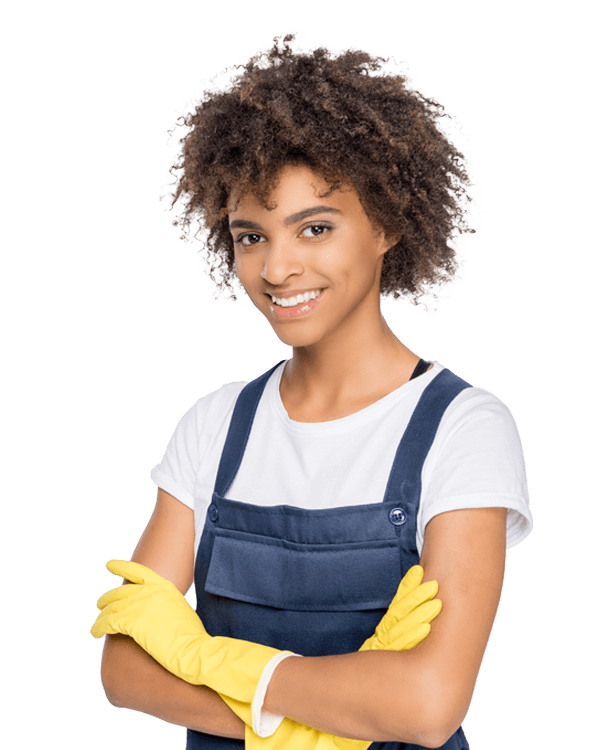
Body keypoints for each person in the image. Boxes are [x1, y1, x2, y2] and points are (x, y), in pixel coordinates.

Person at [91, 29, 532, 749]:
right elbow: (124, 667)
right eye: (251, 236)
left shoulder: (463, 427)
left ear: (387, 226)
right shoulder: (216, 424)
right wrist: (325, 714)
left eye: (315, 228)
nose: (276, 269)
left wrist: (209, 662)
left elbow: (429, 703)